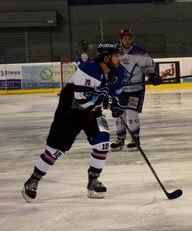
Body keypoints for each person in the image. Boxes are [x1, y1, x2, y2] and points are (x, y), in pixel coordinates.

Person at [21, 43, 125, 202]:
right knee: (55, 150)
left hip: (92, 112)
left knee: (103, 141)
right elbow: (80, 100)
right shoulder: (88, 69)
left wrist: (115, 104)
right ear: (106, 57)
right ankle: (33, 180)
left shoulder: (118, 72)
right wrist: (103, 99)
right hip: (70, 113)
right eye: (116, 55)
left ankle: (93, 182)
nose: (120, 58)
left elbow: (115, 94)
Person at [110, 29, 162, 151]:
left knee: (132, 113)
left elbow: (149, 65)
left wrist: (153, 75)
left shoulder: (140, 51)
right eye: (124, 38)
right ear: (120, 39)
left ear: (132, 38)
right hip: (119, 90)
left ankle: (135, 138)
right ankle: (120, 138)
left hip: (136, 89)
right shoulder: (115, 52)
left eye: (129, 38)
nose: (127, 40)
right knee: (119, 114)